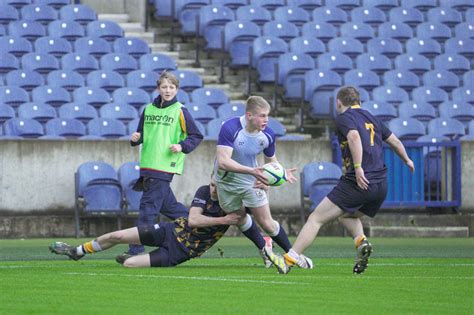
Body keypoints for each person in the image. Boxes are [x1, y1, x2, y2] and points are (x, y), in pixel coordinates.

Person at [282, 86, 415, 274]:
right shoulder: (372, 117)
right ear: (359, 101)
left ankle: (290, 258)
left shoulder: (344, 118)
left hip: (358, 181)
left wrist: (359, 167)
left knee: (315, 219)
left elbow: (353, 136)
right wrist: (407, 160)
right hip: (380, 185)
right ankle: (361, 241)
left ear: (338, 102)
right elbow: (395, 141)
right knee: (346, 215)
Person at [49, 178, 282, 268]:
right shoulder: (203, 191)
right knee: (117, 236)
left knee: (129, 265)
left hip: (183, 251)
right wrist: (225, 220)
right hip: (170, 231)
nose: (212, 189)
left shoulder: (237, 204)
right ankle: (78, 251)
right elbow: (193, 220)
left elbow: (254, 221)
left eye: (217, 186)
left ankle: (132, 257)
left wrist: (265, 186)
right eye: (212, 184)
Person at [214, 95, 313, 274]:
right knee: (239, 218)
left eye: (267, 115)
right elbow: (223, 162)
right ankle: (264, 246)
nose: (266, 120)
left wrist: (278, 176)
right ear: (249, 115)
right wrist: (253, 171)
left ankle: (293, 254)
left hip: (252, 183)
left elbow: (271, 162)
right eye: (262, 115)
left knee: (267, 223)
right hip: (225, 182)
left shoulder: (268, 135)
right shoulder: (230, 128)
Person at [126, 71, 203, 256]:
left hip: (164, 167)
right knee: (170, 208)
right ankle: (200, 230)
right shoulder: (148, 109)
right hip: (147, 166)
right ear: (158, 88)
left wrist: (181, 146)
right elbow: (142, 135)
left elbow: (196, 136)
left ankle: (135, 250)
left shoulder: (180, 111)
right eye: (164, 87)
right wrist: (136, 138)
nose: (167, 90)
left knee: (147, 211)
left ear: (176, 89)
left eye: (171, 87)